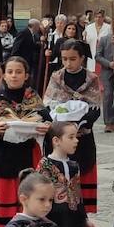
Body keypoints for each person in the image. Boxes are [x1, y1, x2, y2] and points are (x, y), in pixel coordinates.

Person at [0, 58, 49, 227]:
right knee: (7, 200)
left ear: (26, 75)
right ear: (4, 75)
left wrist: (46, 126)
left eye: (19, 72)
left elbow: (46, 118)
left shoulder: (32, 96)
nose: (14, 75)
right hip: (4, 156)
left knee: (29, 193)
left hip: (27, 154)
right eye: (10, 72)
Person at [44, 41, 102, 212]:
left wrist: (79, 124)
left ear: (82, 58)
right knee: (60, 173)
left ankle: (80, 213)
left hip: (82, 137)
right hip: (60, 137)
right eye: (64, 59)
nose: (68, 63)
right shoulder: (56, 77)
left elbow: (95, 108)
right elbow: (48, 104)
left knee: (82, 173)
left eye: (73, 59)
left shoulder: (91, 79)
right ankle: (60, 209)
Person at [36, 121, 96, 227]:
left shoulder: (74, 165)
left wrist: (84, 219)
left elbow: (77, 194)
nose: (76, 141)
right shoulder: (45, 165)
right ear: (56, 141)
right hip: (53, 221)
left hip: (72, 220)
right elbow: (39, 195)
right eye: (71, 137)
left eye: (76, 137)